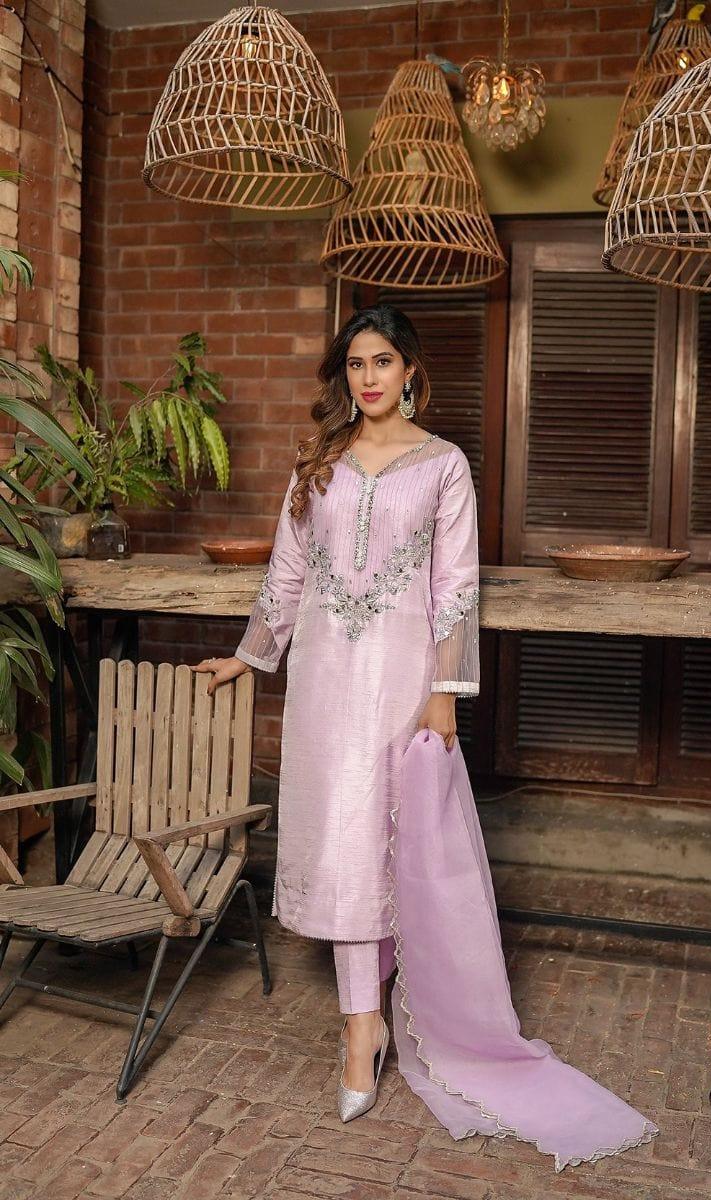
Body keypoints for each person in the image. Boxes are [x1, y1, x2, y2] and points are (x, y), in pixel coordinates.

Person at [191, 303, 480, 1122]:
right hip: (323, 677)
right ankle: (365, 1022)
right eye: (356, 364)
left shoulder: (443, 466)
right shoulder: (318, 461)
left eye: (383, 361)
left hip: (400, 678)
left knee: (380, 842)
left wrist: (446, 692)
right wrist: (249, 655)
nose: (369, 377)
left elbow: (457, 586)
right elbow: (287, 573)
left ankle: (363, 1029)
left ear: (411, 369)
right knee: (346, 839)